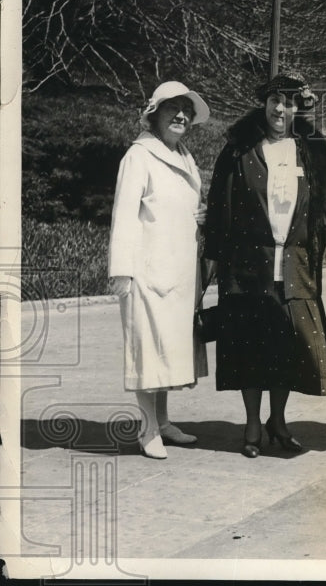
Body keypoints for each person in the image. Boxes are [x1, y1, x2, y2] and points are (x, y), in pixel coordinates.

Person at [203, 72, 326, 459]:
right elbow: (219, 205)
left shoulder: (311, 151)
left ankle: (278, 421)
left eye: (290, 101)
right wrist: (213, 259)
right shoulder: (240, 148)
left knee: (287, 347)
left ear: (299, 107)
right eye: (276, 100)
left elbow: (321, 208)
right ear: (264, 103)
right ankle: (251, 423)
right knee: (250, 347)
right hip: (248, 267)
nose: (282, 108)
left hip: (295, 265)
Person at [109, 80, 211, 459]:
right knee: (148, 351)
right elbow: (123, 217)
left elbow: (178, 208)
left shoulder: (184, 156)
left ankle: (164, 421)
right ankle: (147, 428)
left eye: (186, 109)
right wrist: (122, 272)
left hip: (180, 273)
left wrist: (199, 216)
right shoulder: (139, 156)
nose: (181, 115)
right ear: (154, 115)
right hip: (147, 272)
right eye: (173, 108)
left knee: (168, 348)